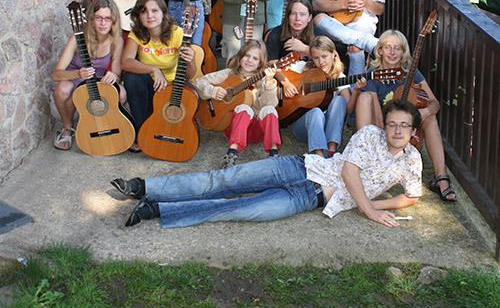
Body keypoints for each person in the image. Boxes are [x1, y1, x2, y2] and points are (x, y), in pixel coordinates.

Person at [114, 98, 422, 228]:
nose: (396, 131)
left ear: (413, 130)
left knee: (236, 209)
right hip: (300, 167)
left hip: (307, 198)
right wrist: (367, 208)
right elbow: (348, 170)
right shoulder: (370, 134)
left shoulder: (412, 161)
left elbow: (412, 195)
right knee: (223, 181)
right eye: (392, 124)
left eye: (404, 126)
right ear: (385, 124)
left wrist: (374, 205)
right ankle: (143, 186)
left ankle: (156, 209)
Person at [353, 30, 457, 202]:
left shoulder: (410, 72)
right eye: (388, 47)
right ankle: (362, 160)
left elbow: (435, 103)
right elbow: (378, 118)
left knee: (431, 117)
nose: (392, 52)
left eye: (397, 48)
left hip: (404, 129)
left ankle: (441, 177)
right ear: (380, 51)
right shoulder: (373, 73)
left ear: (403, 52)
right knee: (364, 97)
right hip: (377, 128)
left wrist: (422, 113)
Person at [121, 0, 196, 150]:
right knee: (132, 78)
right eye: (144, 11)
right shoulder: (137, 34)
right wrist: (153, 69)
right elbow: (126, 62)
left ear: (163, 12)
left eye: (154, 10)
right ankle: (141, 131)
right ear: (138, 16)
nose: (149, 15)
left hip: (171, 86)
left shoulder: (177, 33)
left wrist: (191, 60)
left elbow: (189, 75)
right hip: (149, 86)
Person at [194, 39, 281, 168]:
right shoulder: (229, 74)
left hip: (256, 131)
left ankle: (274, 154)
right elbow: (199, 82)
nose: (249, 60)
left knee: (269, 109)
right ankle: (231, 154)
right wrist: (213, 90)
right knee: (244, 107)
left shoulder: (263, 80)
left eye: (255, 58)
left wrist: (269, 82)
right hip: (233, 128)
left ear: (260, 64)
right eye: (247, 55)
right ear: (240, 57)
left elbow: (270, 104)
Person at [52, 0, 125, 150]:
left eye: (108, 18)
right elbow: (56, 74)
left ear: (114, 21)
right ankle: (68, 127)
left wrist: (113, 76)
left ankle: (103, 123)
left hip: (97, 81)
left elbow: (117, 71)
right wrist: (78, 73)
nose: (103, 23)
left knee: (122, 93)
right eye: (98, 18)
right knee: (62, 90)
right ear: (90, 19)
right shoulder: (77, 38)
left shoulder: (116, 40)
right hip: (76, 79)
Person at [291, 36, 360, 156]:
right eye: (316, 58)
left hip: (326, 127)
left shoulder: (339, 77)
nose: (321, 62)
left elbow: (348, 109)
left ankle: (331, 150)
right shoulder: (305, 68)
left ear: (333, 54)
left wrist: (357, 91)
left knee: (339, 100)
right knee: (316, 112)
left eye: (324, 56)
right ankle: (319, 156)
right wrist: (286, 84)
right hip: (303, 126)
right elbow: (276, 68)